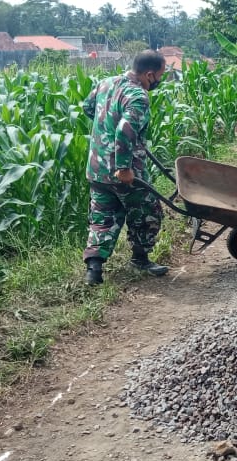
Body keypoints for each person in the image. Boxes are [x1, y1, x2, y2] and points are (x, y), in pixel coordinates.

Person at [82, 50, 169, 286]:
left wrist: (105, 131)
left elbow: (88, 108)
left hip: (97, 168)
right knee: (148, 213)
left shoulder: (105, 83)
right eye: (160, 75)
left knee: (102, 217)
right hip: (124, 172)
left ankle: (94, 270)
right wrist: (123, 167)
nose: (159, 81)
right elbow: (124, 130)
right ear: (149, 74)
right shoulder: (138, 95)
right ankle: (140, 259)